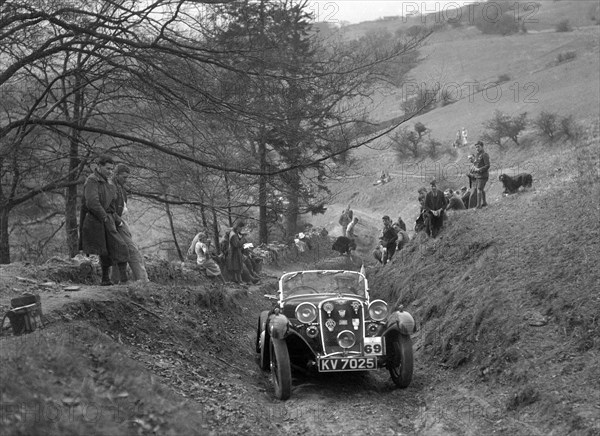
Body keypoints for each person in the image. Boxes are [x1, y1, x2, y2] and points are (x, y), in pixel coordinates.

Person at [79, 155, 129, 286]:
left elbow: (111, 205)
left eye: (112, 169)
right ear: (99, 167)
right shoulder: (92, 180)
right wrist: (105, 217)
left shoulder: (108, 183)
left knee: (117, 247)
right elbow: (92, 202)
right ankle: (110, 279)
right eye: (107, 168)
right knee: (106, 249)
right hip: (96, 219)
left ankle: (119, 280)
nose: (110, 171)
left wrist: (117, 219)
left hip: (108, 218)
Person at [110, 164, 150, 283]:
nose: (126, 180)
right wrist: (118, 222)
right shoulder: (111, 187)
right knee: (132, 250)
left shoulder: (120, 188)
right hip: (116, 222)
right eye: (124, 177)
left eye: (127, 177)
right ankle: (142, 279)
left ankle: (116, 281)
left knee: (120, 251)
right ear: (116, 175)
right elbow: (109, 208)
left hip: (121, 222)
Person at [471, 141, 490, 209]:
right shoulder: (477, 155)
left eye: (478, 147)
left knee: (479, 189)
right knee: (481, 189)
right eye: (476, 147)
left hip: (483, 175)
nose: (477, 148)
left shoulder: (485, 155)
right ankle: (484, 203)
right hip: (478, 176)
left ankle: (478, 206)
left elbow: (487, 165)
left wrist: (479, 170)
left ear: (482, 146)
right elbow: (476, 163)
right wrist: (473, 165)